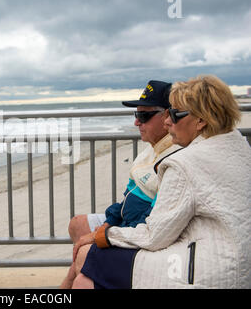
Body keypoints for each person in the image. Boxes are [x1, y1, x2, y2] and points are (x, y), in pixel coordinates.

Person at [69, 75, 251, 289]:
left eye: (174, 114)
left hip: (206, 271)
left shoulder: (185, 163)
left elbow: (155, 236)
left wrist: (105, 234)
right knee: (91, 271)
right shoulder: (239, 146)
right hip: (239, 265)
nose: (167, 121)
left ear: (201, 120)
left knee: (87, 259)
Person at [60, 80, 181, 288]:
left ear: (167, 116)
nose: (137, 123)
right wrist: (107, 224)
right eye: (136, 115)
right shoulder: (150, 151)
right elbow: (126, 198)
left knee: (82, 263)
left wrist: (105, 235)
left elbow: (152, 222)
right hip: (125, 224)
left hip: (138, 235)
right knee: (77, 224)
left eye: (144, 116)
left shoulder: (174, 159)